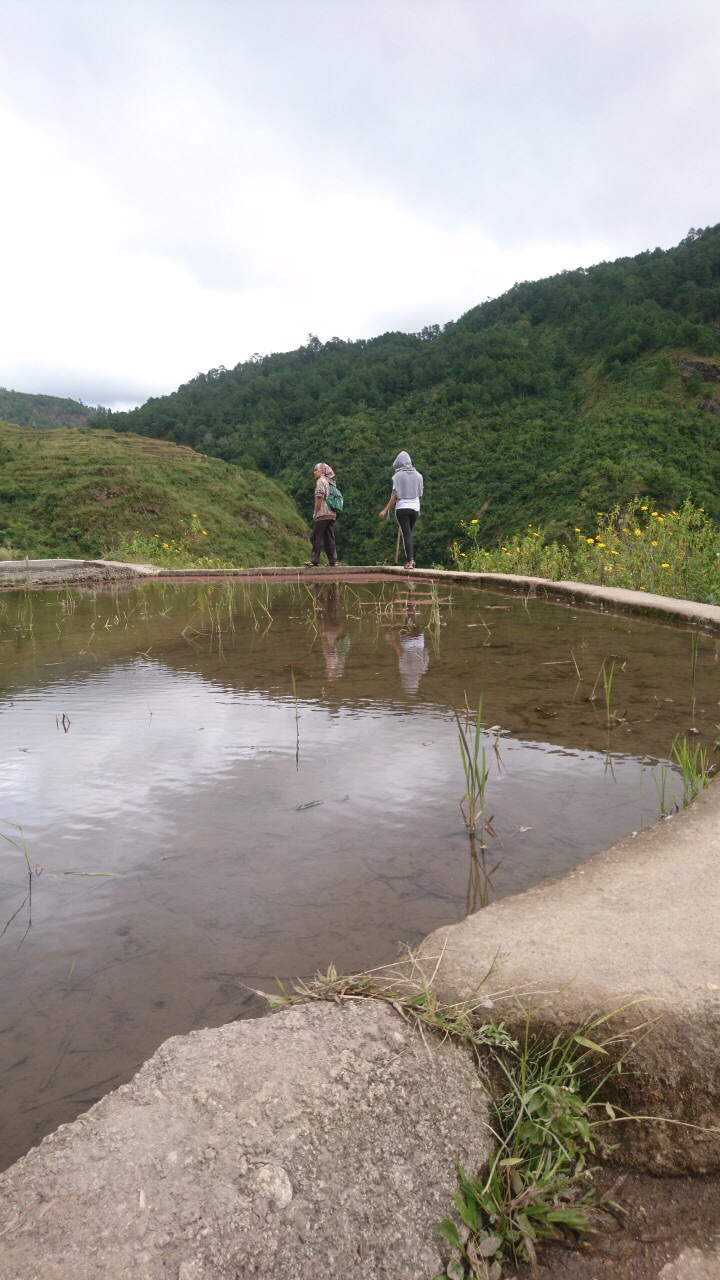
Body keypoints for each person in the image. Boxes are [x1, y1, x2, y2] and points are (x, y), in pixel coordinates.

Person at [379, 450, 423, 569]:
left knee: (406, 534)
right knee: (408, 534)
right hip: (415, 509)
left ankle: (410, 561)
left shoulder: (397, 476)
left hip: (402, 509)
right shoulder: (418, 475)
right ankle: (410, 559)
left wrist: (385, 510)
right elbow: (419, 493)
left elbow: (395, 495)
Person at [305, 462, 338, 567]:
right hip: (331, 514)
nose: (314, 472)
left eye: (316, 470)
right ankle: (332, 561)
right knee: (329, 538)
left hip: (322, 513)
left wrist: (315, 512)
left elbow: (320, 498)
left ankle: (314, 560)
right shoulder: (330, 482)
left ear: (321, 472)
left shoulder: (320, 481)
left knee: (317, 536)